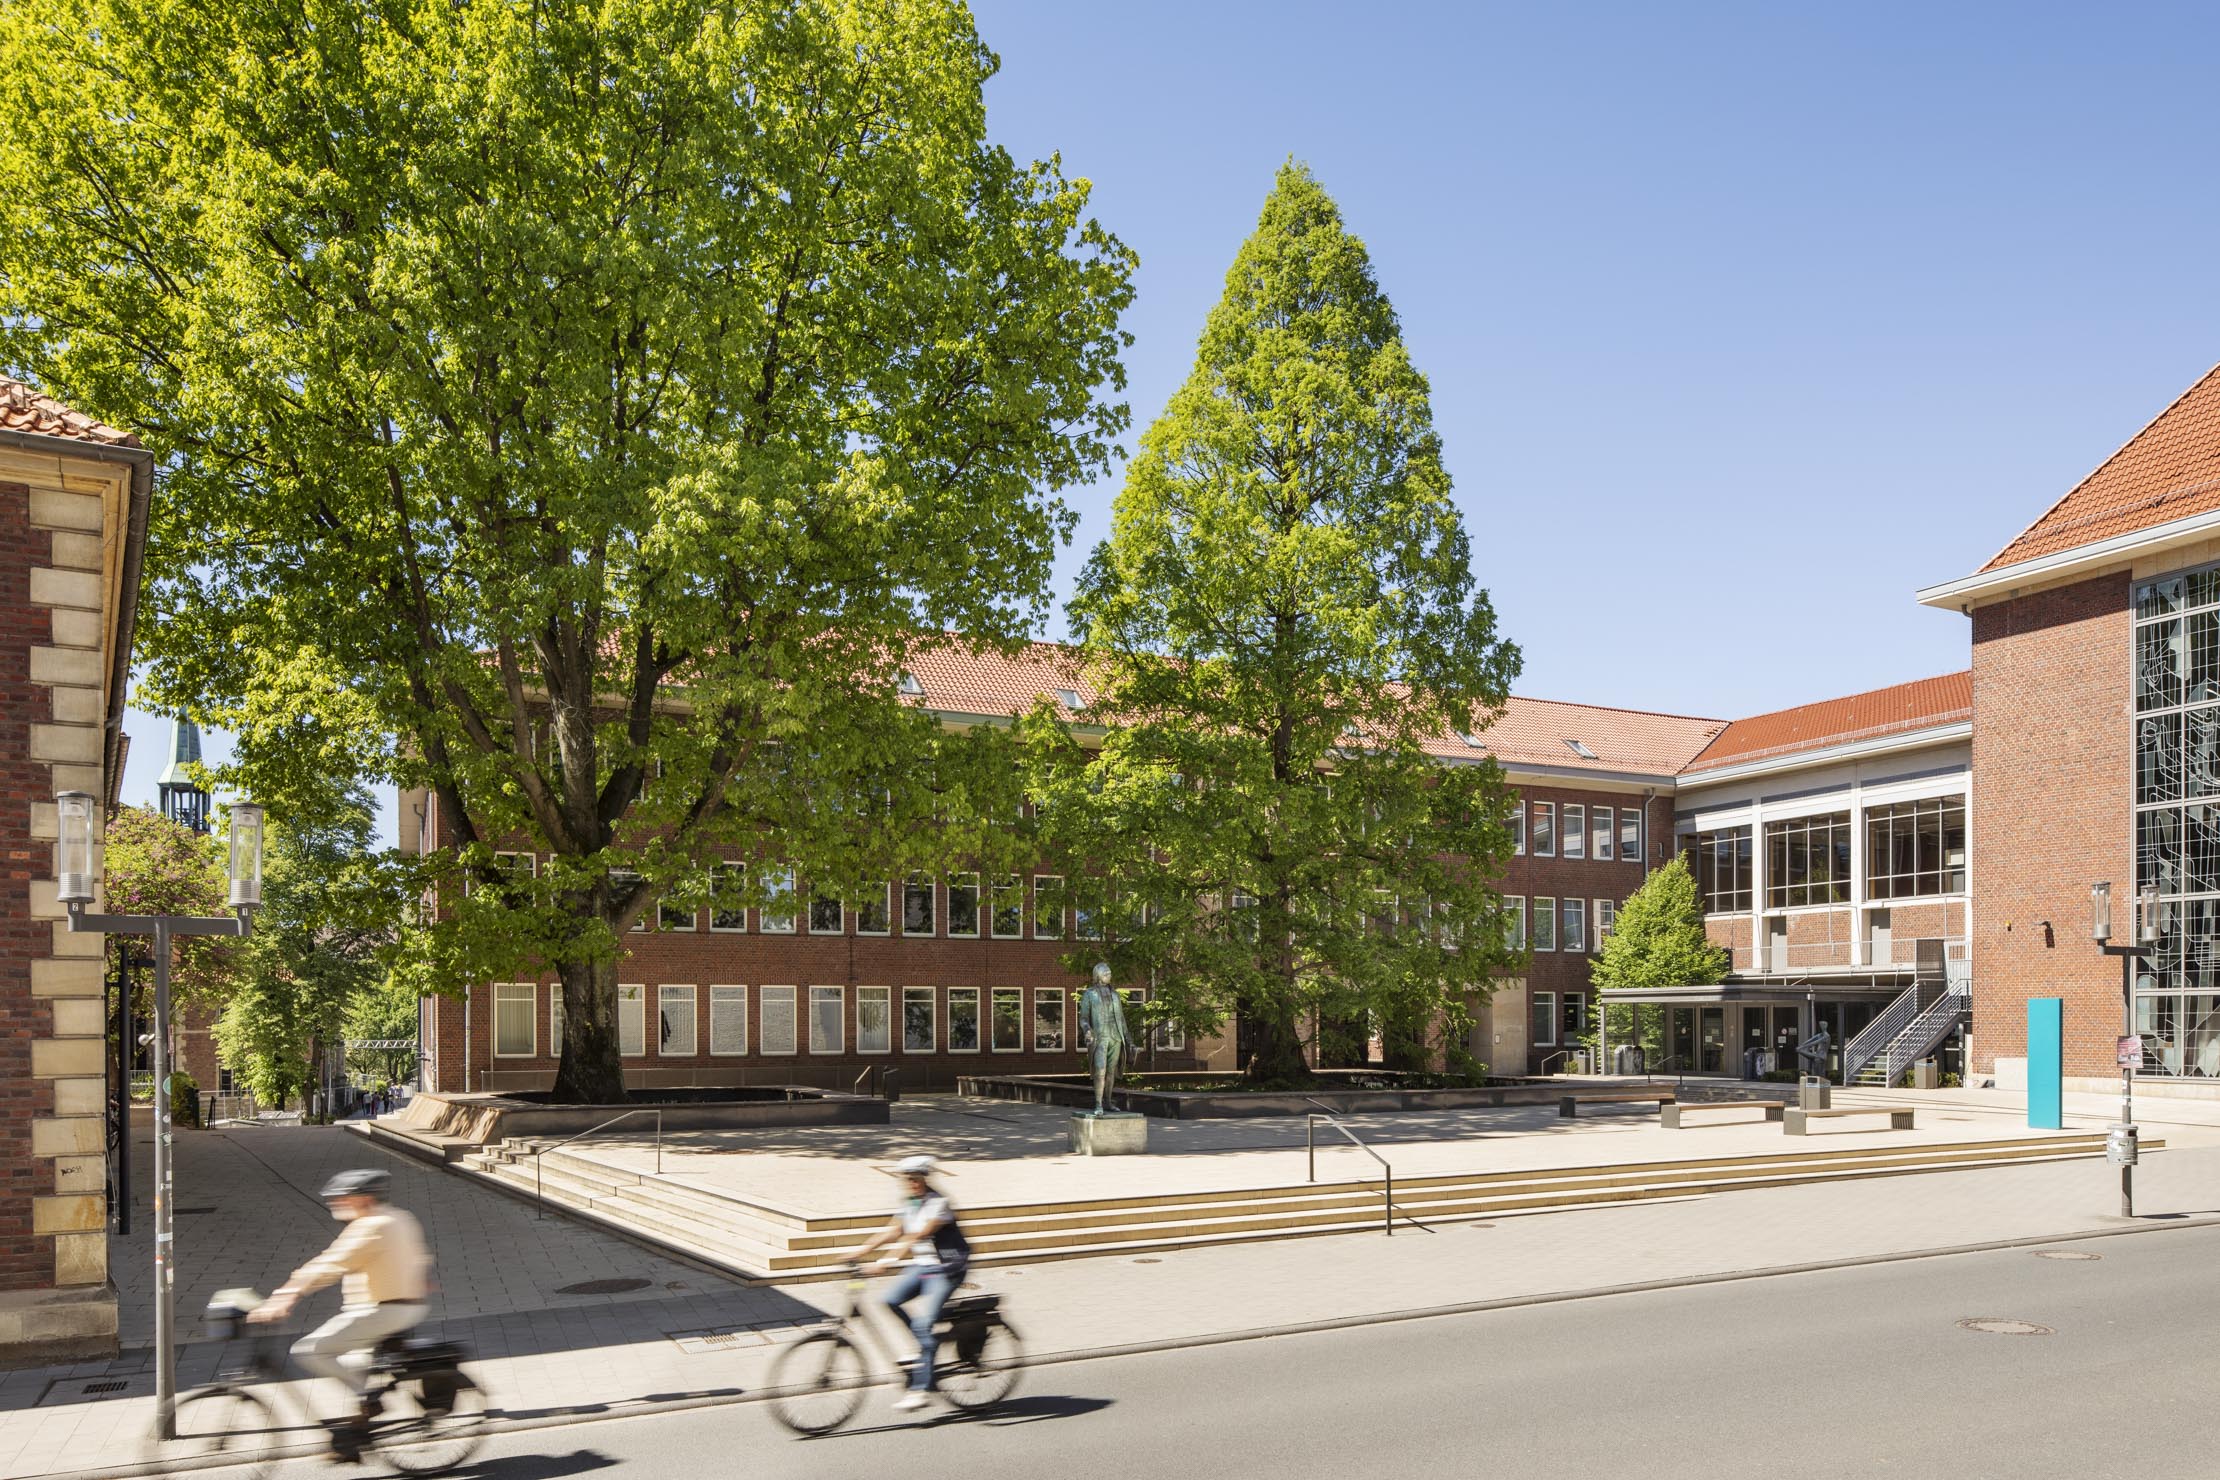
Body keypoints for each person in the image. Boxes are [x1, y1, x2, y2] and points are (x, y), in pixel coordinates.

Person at [248, 1168, 431, 1459]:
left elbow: (331, 1264)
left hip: (384, 1310)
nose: (336, 1202)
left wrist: (284, 1297)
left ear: (365, 1198)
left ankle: (368, 1400)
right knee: (353, 1363)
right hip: (404, 1307)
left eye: (343, 1197)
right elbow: (420, 1257)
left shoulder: (373, 1225)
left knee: (310, 1350)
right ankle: (355, 1438)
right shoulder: (399, 1217)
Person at [852, 1154, 971, 1413]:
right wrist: (859, 1252)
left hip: (946, 1268)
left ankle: (921, 1390)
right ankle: (924, 1343)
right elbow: (893, 1230)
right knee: (889, 1300)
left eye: (917, 1179)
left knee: (923, 1323)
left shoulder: (939, 1204)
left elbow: (917, 1235)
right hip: (924, 1267)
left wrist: (885, 1261)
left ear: (925, 1179)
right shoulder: (909, 1203)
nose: (912, 1183)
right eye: (908, 1179)